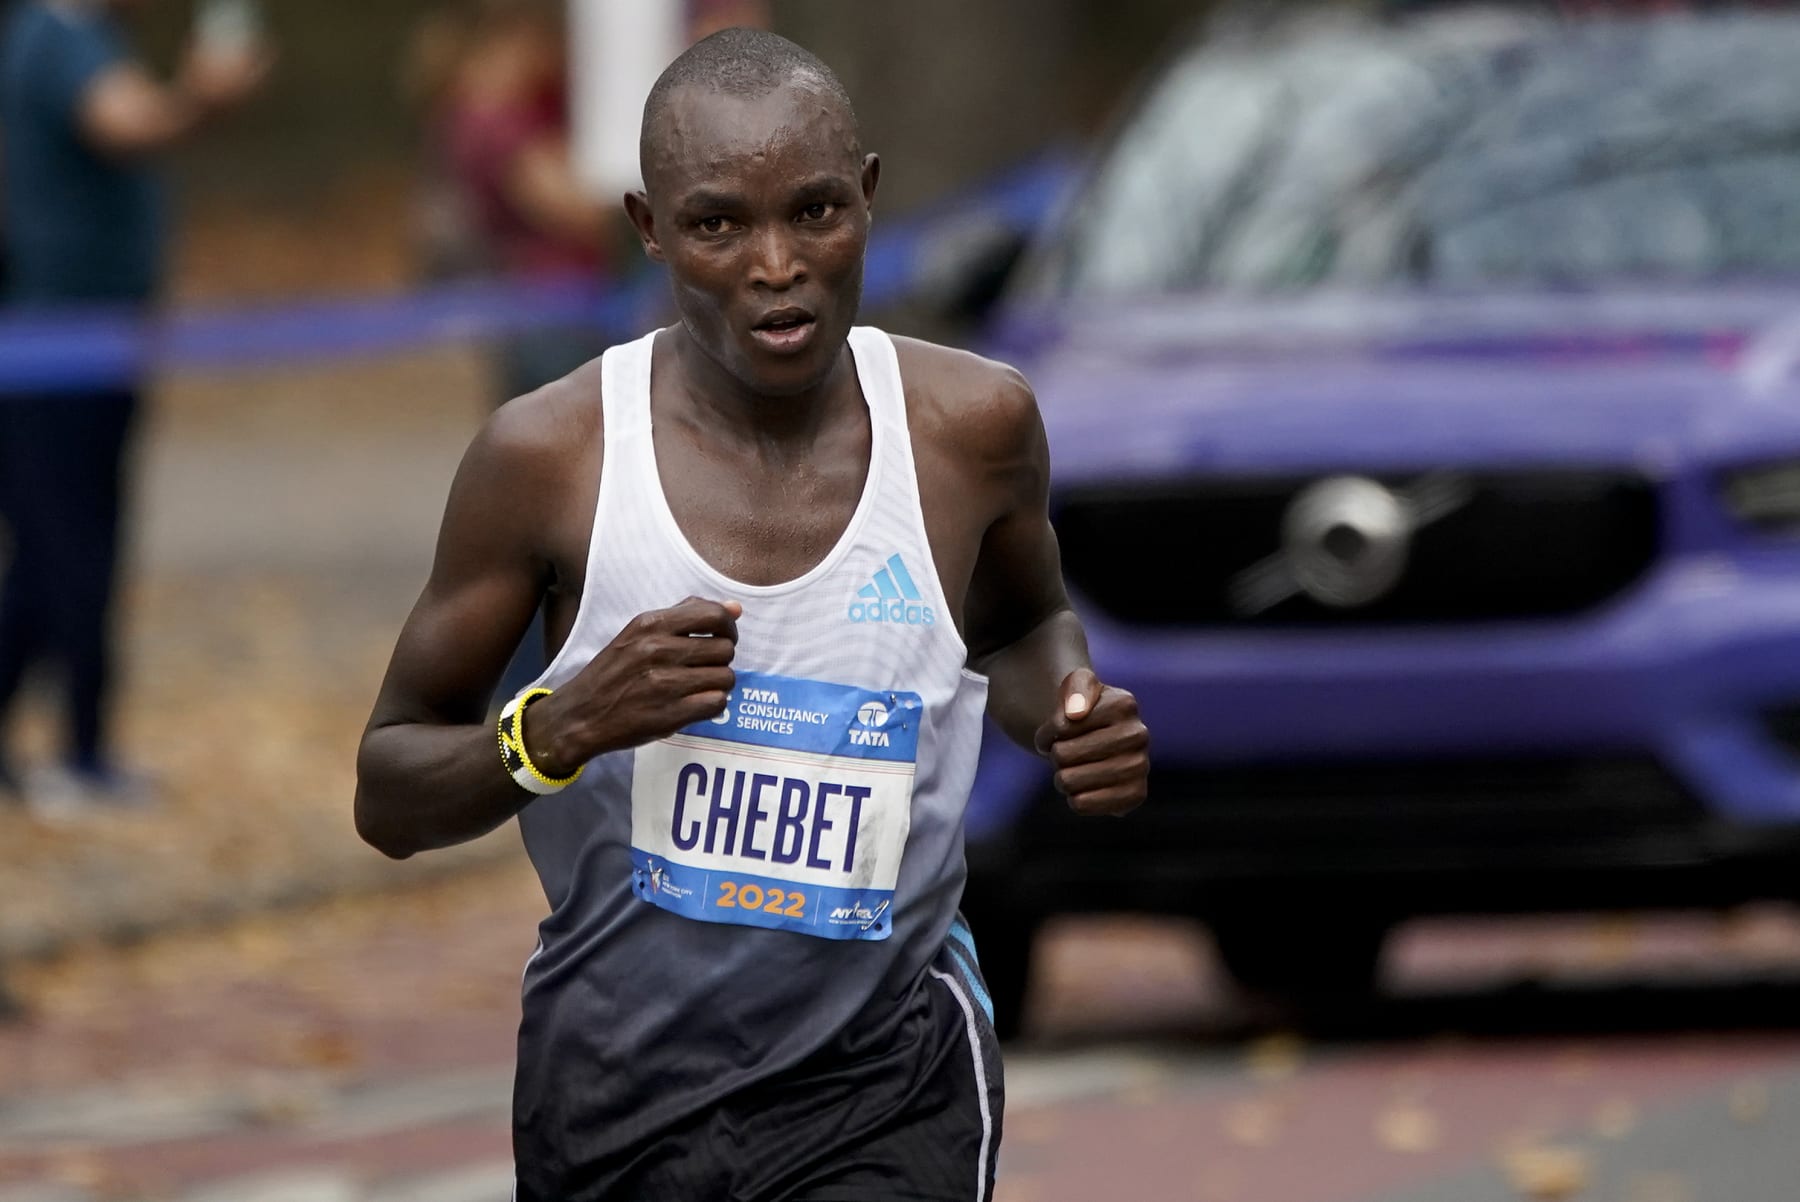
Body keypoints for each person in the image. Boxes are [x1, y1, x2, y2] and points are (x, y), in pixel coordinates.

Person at [355, 27, 1150, 1201]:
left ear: (871, 196)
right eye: (718, 224)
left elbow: (1020, 628)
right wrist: (560, 727)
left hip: (889, 1076)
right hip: (617, 1082)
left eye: (817, 212)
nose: (777, 263)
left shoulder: (969, 428)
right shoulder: (553, 457)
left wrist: (1070, 711)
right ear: (649, 227)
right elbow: (388, 788)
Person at [0, 0, 268, 815]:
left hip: (95, 345)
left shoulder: (83, 36)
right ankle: (79, 753)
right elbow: (126, 123)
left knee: (70, 554)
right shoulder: (58, 37)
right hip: (57, 352)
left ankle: (84, 750)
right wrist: (201, 97)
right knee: (67, 556)